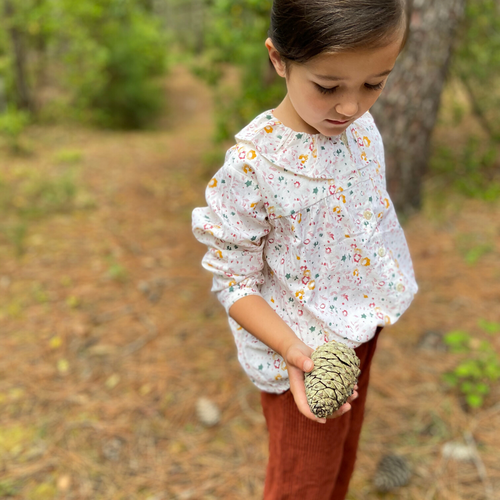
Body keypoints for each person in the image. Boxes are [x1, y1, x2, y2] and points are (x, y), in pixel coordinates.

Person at [192, 1, 418, 498]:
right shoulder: (254, 168)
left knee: (339, 463)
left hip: (358, 333)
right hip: (297, 359)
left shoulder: (361, 132)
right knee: (303, 485)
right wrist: (294, 351)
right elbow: (234, 281)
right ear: (279, 59)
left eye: (374, 83)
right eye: (327, 86)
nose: (351, 107)